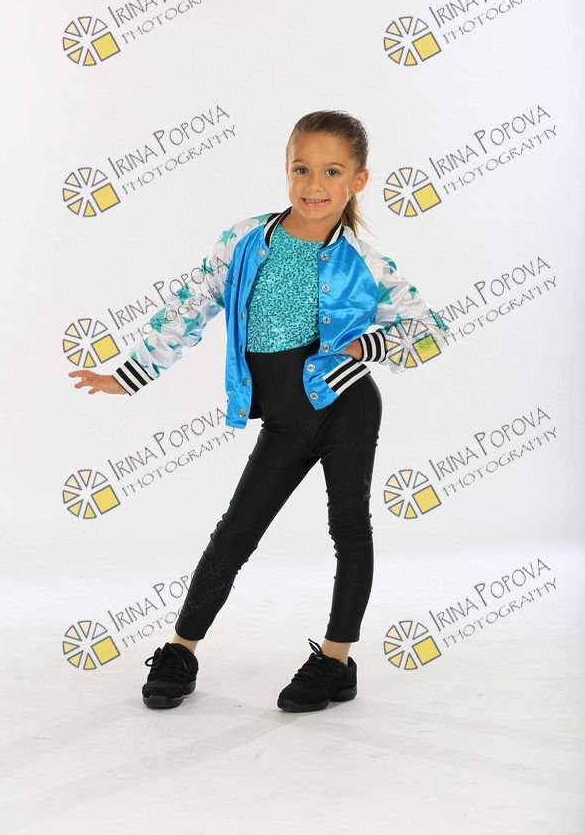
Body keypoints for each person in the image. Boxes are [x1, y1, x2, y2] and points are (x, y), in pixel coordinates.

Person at [69, 109, 450, 713]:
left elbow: (431, 333)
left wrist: (366, 346)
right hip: (284, 419)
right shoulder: (245, 240)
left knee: (349, 528)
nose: (314, 184)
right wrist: (130, 374)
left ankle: (335, 660)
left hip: (345, 409)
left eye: (332, 171)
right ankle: (181, 649)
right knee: (235, 533)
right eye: (302, 169)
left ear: (358, 180)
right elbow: (191, 305)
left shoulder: (367, 265)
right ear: (286, 170)